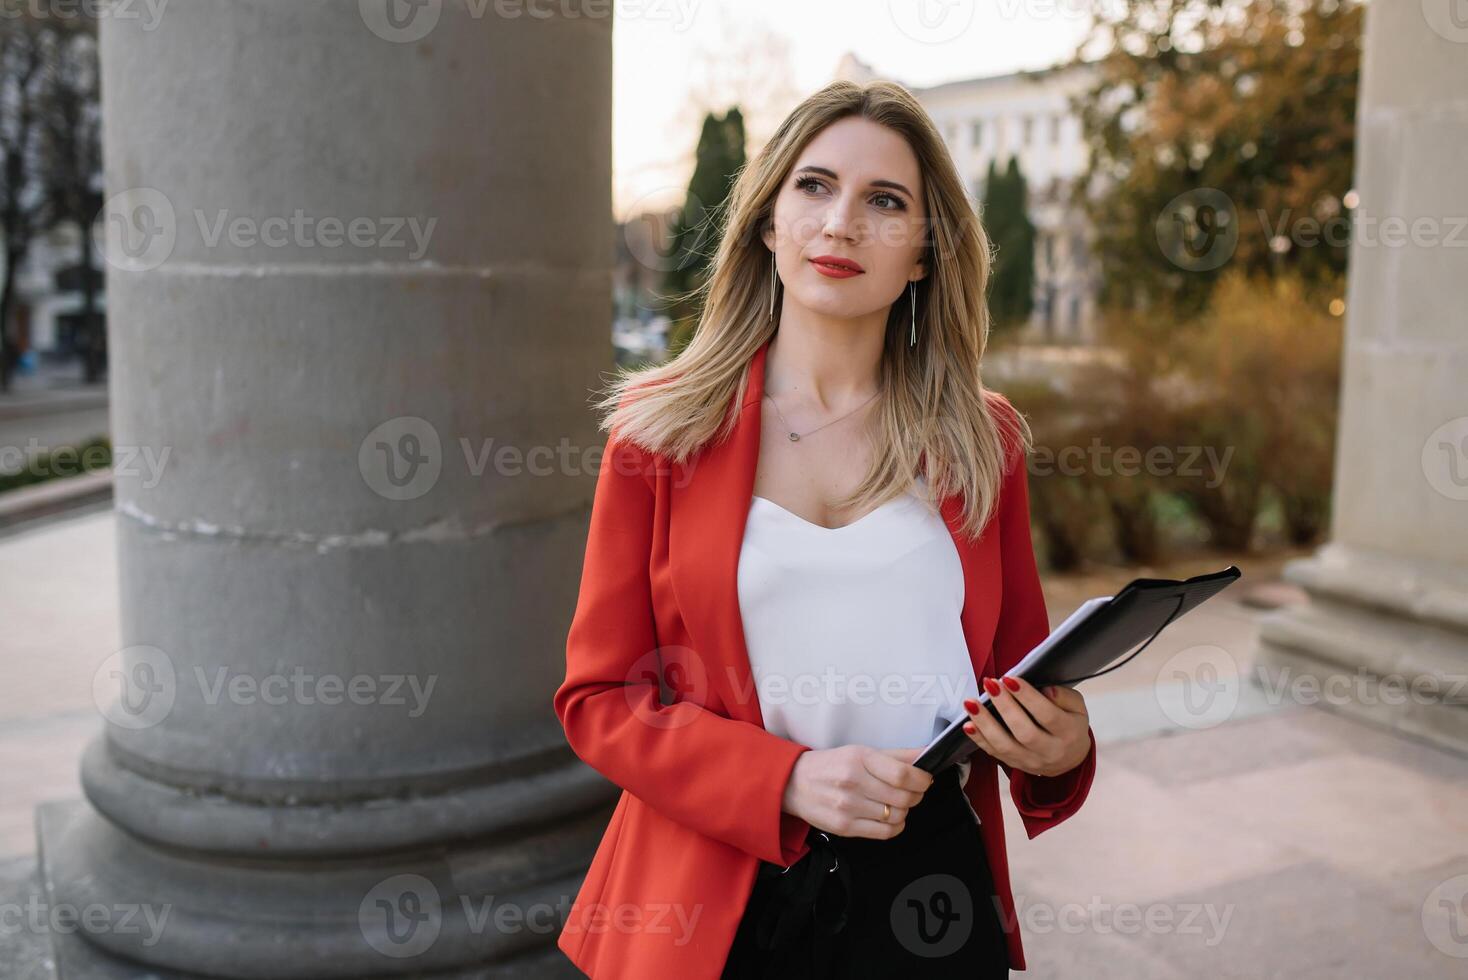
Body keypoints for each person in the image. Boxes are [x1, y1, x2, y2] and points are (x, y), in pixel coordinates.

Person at [553, 79, 1098, 980]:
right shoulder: (659, 431)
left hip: (930, 892)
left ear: (923, 253)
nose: (841, 222)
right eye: (813, 186)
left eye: (885, 201)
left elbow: (1024, 674)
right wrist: (786, 780)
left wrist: (1063, 748)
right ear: (768, 222)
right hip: (718, 894)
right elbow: (599, 700)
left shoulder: (981, 437)